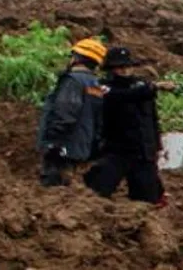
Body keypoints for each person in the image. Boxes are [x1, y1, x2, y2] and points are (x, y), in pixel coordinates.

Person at [83, 47, 175, 207]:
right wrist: (154, 88)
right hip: (115, 150)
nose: (125, 71)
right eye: (120, 67)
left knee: (147, 199)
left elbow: (151, 118)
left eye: (127, 66)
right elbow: (119, 96)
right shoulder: (100, 87)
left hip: (142, 151)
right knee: (95, 192)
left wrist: (155, 144)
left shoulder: (142, 86)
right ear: (111, 69)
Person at [36, 37, 108, 187]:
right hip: (81, 147)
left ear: (76, 58)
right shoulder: (96, 85)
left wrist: (54, 143)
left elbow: (65, 112)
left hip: (63, 146)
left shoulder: (72, 81)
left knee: (53, 187)